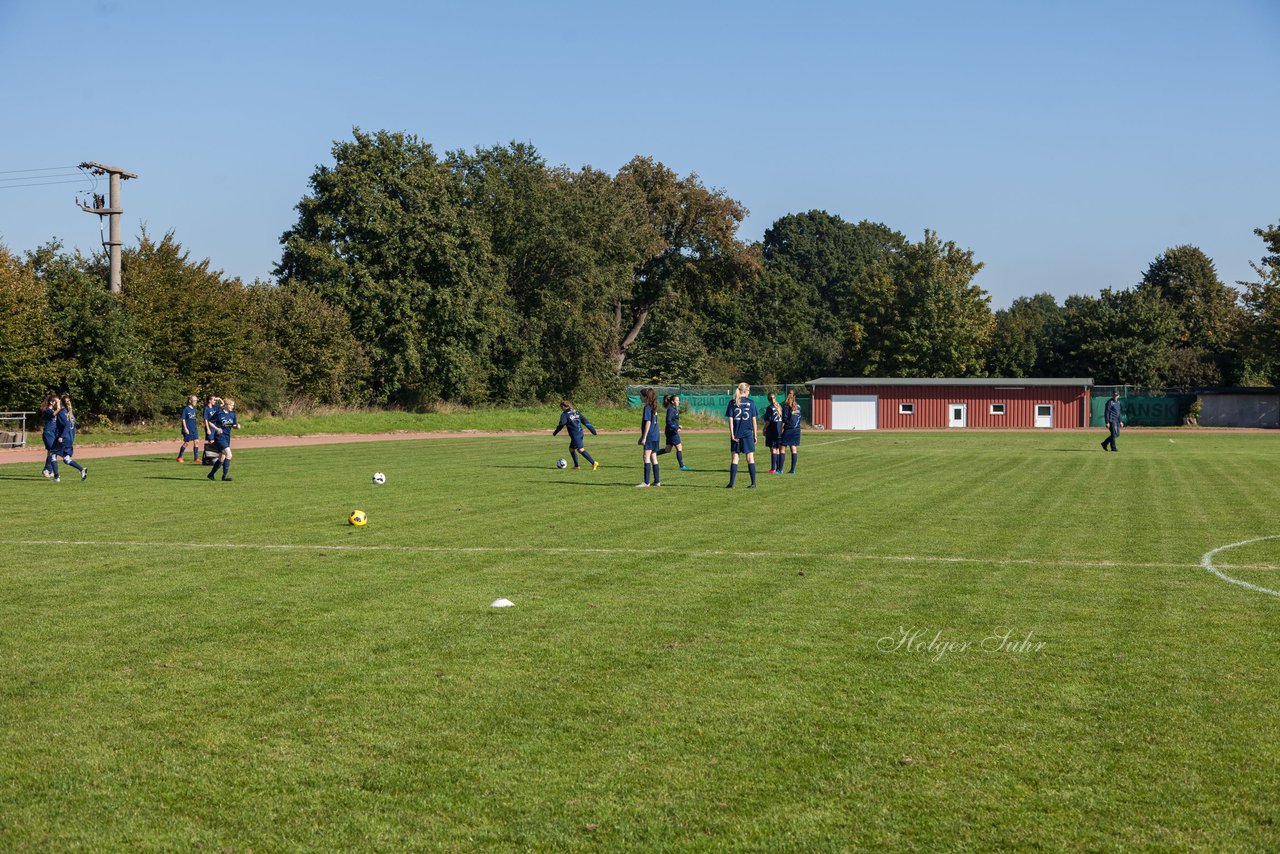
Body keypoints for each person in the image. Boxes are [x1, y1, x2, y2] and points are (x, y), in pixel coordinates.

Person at [725, 382, 758, 489]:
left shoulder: (732, 402)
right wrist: (755, 434)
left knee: (735, 458)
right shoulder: (751, 403)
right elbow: (754, 420)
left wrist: (732, 434)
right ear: (745, 391)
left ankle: (731, 484)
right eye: (749, 390)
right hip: (748, 433)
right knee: (750, 458)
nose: (749, 393)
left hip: (737, 434)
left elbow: (730, 420)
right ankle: (753, 483)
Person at [553, 400, 599, 470]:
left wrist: (555, 432)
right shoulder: (576, 412)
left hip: (575, 435)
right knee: (571, 449)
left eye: (561, 407)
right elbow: (585, 422)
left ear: (563, 406)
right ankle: (576, 466)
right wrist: (593, 431)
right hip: (580, 433)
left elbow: (562, 424)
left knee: (580, 450)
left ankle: (593, 463)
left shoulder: (565, 414)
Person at [56, 395, 87, 481]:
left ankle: (54, 475)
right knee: (66, 459)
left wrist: (61, 436)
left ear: (61, 403)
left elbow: (67, 425)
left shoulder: (62, 412)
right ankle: (82, 469)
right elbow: (73, 427)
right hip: (70, 438)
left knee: (52, 454)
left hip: (65, 438)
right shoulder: (71, 413)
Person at [655, 393, 691, 470]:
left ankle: (652, 454)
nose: (679, 401)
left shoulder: (674, 409)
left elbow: (673, 421)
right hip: (671, 432)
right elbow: (668, 421)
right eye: (677, 400)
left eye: (678, 400)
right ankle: (682, 466)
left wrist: (678, 426)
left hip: (670, 431)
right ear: (672, 401)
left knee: (667, 450)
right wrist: (675, 428)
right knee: (679, 447)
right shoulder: (670, 409)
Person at [207, 398, 239, 481]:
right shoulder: (219, 413)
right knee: (229, 455)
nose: (233, 407)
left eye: (233, 405)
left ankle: (211, 474)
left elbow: (234, 425)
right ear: (226, 405)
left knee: (222, 457)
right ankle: (225, 476)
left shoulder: (232, 414)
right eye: (231, 405)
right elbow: (210, 422)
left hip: (227, 437)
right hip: (219, 437)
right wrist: (217, 429)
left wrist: (237, 426)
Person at [637, 387, 661, 487]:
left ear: (645, 397)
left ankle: (646, 482)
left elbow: (648, 422)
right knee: (653, 457)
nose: (639, 397)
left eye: (640, 396)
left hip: (650, 435)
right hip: (656, 434)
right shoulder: (654, 407)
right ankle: (657, 481)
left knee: (646, 457)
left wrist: (644, 437)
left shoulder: (647, 407)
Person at [40, 393, 61, 480]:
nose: (58, 403)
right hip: (48, 433)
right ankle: (46, 470)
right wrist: (59, 408)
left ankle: (49, 470)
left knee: (53, 451)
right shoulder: (47, 410)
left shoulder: (53, 410)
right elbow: (53, 415)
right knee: (52, 451)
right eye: (56, 402)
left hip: (53, 434)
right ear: (52, 402)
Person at [781, 389, 803, 473]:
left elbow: (784, 419)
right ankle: (793, 470)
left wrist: (781, 430)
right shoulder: (799, 406)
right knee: (793, 449)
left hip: (788, 429)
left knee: (782, 448)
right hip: (797, 429)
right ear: (795, 396)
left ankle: (780, 469)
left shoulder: (786, 406)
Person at [763, 392, 784, 474]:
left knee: (773, 449)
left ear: (768, 399)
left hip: (772, 430)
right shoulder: (779, 407)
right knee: (778, 449)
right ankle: (779, 468)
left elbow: (768, 421)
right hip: (779, 430)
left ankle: (773, 468)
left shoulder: (770, 408)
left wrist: (764, 429)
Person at [177, 395, 200, 463]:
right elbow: (183, 419)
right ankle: (179, 457)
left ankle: (196, 458)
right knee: (186, 443)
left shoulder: (194, 409)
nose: (196, 402)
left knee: (196, 442)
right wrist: (185, 428)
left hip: (194, 429)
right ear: (190, 401)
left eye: (196, 400)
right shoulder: (186, 409)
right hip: (188, 429)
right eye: (194, 400)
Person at [201, 394, 222, 466]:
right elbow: (206, 420)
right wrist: (207, 429)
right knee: (211, 442)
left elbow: (223, 404)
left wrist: (219, 398)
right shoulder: (206, 408)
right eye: (214, 400)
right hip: (209, 427)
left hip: (215, 427)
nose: (215, 401)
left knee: (214, 442)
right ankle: (209, 458)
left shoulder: (215, 407)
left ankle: (212, 458)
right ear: (209, 400)